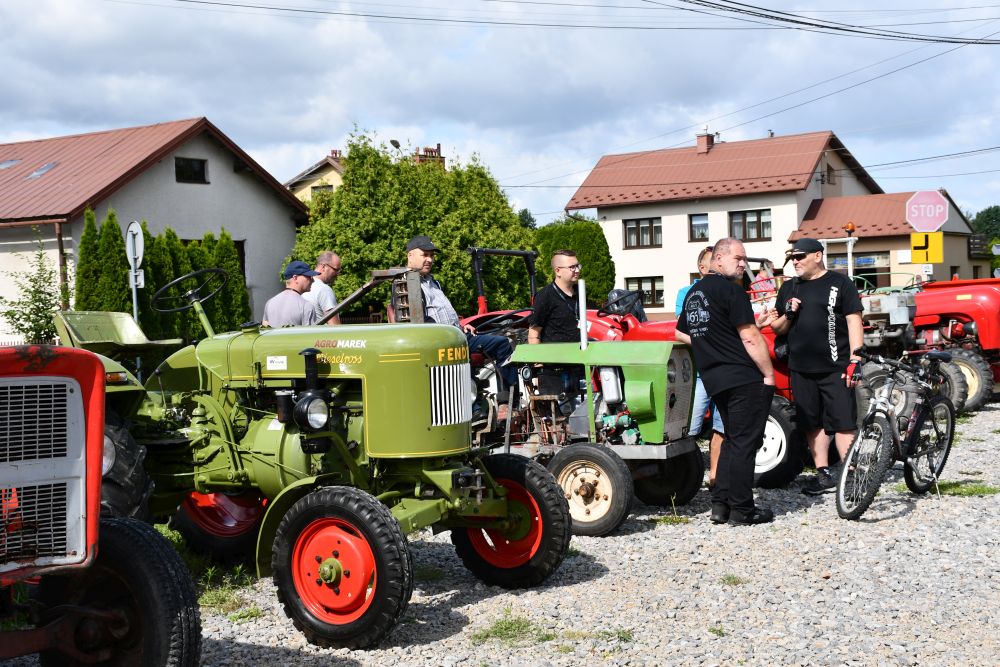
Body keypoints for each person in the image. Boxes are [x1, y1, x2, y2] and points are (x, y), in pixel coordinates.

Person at [675, 238, 776, 526]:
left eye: (745, 259)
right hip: (743, 377)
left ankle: (721, 506)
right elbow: (750, 336)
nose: (743, 264)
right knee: (744, 443)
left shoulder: (695, 294)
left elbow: (681, 333)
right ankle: (743, 510)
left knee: (732, 440)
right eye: (738, 258)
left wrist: (711, 344)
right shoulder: (733, 292)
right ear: (718, 259)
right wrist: (768, 374)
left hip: (714, 377)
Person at [766, 237, 864, 495]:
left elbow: (855, 321)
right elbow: (776, 328)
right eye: (793, 258)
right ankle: (823, 474)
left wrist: (856, 359)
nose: (795, 262)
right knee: (812, 423)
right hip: (800, 367)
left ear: (817, 256)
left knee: (844, 422)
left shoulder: (841, 283)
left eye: (800, 257)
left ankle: (850, 474)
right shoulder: (789, 288)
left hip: (837, 365)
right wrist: (789, 313)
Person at [405, 236, 518, 389]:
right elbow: (419, 323)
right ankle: (487, 404)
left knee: (502, 341)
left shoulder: (433, 282)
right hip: (440, 341)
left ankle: (507, 403)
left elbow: (442, 313)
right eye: (425, 255)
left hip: (456, 335)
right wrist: (453, 332)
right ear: (410, 255)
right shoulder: (407, 285)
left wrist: (461, 326)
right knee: (501, 345)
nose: (430, 260)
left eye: (432, 256)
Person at [676, 246, 726, 488]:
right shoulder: (687, 293)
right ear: (702, 267)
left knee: (721, 424)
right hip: (698, 372)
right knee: (691, 424)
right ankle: (686, 473)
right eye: (713, 264)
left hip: (721, 369)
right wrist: (707, 341)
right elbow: (683, 328)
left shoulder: (728, 290)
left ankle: (716, 473)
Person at [528, 249, 582, 345]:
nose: (577, 270)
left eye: (578, 266)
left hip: (581, 353)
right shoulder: (545, 296)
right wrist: (539, 360)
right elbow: (533, 334)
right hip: (556, 357)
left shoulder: (581, 291)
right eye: (572, 267)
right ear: (558, 271)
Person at [262, 260, 320, 328]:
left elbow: (264, 329)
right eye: (308, 276)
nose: (312, 280)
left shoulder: (270, 303)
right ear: (295, 278)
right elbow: (310, 336)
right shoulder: (306, 306)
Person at [302, 251, 342, 325]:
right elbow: (334, 327)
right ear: (323, 267)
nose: (337, 274)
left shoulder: (304, 287)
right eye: (336, 270)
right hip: (323, 336)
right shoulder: (324, 289)